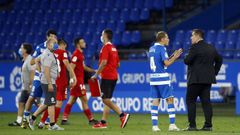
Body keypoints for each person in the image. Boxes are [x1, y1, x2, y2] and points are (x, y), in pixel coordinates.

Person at [184, 29, 222, 131]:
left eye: (192, 36)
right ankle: (208, 126)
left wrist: (185, 56)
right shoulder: (211, 48)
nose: (191, 38)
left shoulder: (195, 47)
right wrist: (214, 72)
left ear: (197, 36)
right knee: (206, 102)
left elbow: (187, 61)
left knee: (190, 101)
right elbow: (220, 59)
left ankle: (192, 126)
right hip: (207, 80)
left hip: (195, 80)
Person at [91, 29, 130, 129]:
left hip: (107, 77)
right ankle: (103, 122)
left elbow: (104, 62)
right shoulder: (114, 48)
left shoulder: (106, 47)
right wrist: (109, 68)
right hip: (113, 76)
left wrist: (97, 74)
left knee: (105, 99)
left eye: (102, 34)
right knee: (107, 99)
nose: (101, 36)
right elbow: (118, 64)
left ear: (105, 36)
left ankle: (122, 115)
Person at [22, 29, 57, 128]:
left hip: (50, 77)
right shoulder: (40, 47)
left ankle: (47, 122)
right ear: (47, 37)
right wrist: (41, 67)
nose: (53, 38)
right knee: (32, 97)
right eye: (51, 36)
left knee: (49, 100)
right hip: (40, 77)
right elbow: (32, 62)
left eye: (55, 37)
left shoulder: (55, 49)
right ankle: (26, 118)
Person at [148, 31, 182, 132]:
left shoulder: (151, 48)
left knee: (155, 101)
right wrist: (175, 57)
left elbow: (159, 62)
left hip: (153, 78)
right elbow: (166, 63)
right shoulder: (162, 48)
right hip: (162, 78)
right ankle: (172, 124)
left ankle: (154, 126)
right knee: (170, 100)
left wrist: (171, 56)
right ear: (162, 39)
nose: (168, 39)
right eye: (167, 38)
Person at [38, 39, 77, 127]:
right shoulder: (63, 52)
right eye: (65, 46)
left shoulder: (50, 53)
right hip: (61, 81)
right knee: (58, 102)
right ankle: (53, 123)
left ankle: (42, 122)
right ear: (62, 45)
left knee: (50, 102)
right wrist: (73, 76)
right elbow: (66, 64)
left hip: (53, 79)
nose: (65, 48)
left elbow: (38, 61)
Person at [61, 37, 98, 125]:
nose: (85, 43)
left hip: (79, 81)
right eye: (83, 42)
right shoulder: (76, 54)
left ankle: (64, 119)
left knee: (72, 99)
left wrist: (94, 71)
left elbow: (83, 67)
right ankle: (91, 119)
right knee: (83, 99)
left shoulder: (80, 54)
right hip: (77, 81)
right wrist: (72, 79)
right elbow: (71, 67)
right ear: (78, 44)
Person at [28, 38, 64, 131]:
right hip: (49, 81)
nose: (56, 44)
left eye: (56, 43)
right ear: (48, 45)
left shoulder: (47, 53)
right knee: (51, 103)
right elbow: (47, 70)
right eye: (54, 43)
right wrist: (49, 83)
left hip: (48, 80)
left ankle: (32, 119)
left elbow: (36, 60)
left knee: (47, 103)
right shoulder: (48, 55)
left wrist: (41, 72)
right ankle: (52, 125)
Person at [8, 43, 35, 126]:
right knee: (21, 103)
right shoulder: (25, 59)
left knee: (38, 104)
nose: (20, 49)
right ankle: (19, 121)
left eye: (21, 47)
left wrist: (31, 85)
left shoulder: (30, 59)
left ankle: (46, 120)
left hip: (29, 87)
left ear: (25, 50)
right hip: (25, 87)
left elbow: (32, 72)